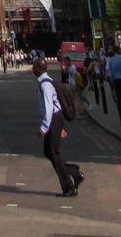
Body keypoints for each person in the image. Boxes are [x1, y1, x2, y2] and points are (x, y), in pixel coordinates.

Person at [34, 56, 82, 198]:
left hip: (54, 119)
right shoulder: (45, 82)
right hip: (56, 120)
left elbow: (49, 108)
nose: (32, 69)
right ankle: (74, 173)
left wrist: (44, 128)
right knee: (49, 152)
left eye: (34, 67)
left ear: (37, 69)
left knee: (53, 152)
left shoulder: (45, 84)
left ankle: (69, 186)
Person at [106, 48, 121, 126]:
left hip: (116, 80)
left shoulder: (111, 61)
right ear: (118, 51)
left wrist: (112, 84)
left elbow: (111, 74)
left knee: (119, 100)